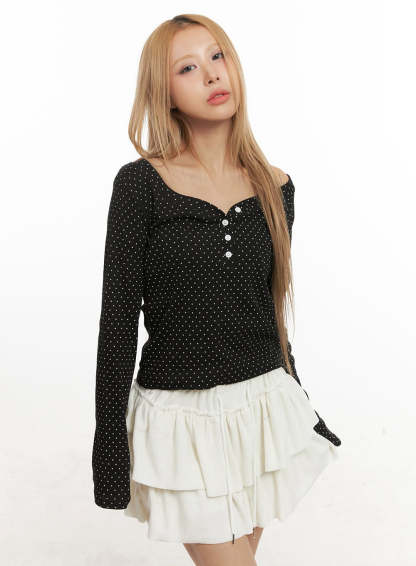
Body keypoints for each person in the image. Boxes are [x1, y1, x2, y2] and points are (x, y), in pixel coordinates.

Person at [92, 13, 341, 566]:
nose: (210, 75)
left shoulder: (275, 186)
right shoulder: (140, 185)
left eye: (217, 56)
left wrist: (301, 401)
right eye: (187, 68)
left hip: (261, 410)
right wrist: (109, 447)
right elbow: (117, 323)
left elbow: (268, 313)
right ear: (165, 93)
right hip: (181, 423)